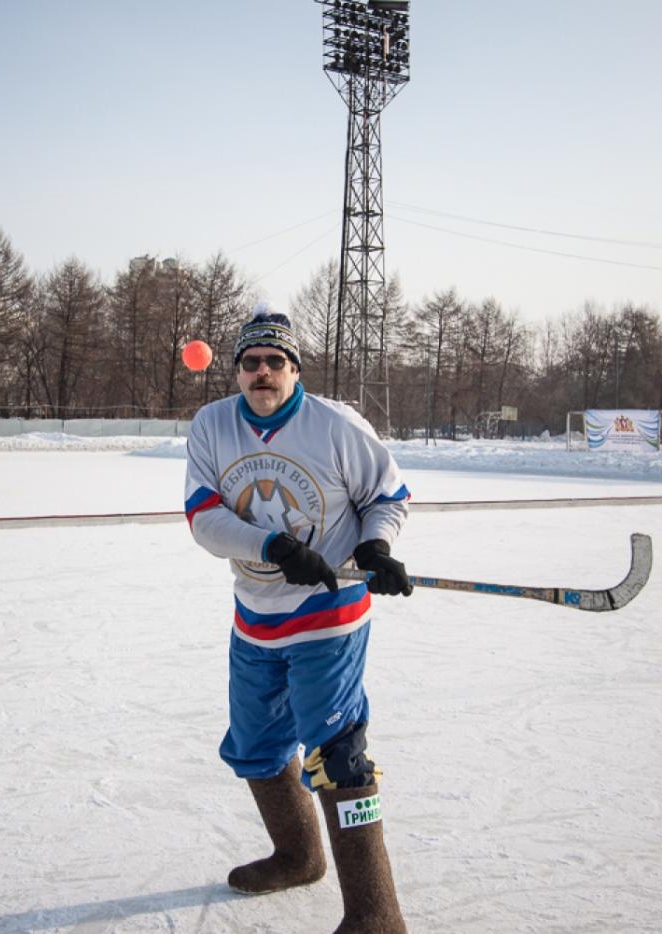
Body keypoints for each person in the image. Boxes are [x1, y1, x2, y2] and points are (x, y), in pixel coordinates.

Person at [183, 306, 412, 932]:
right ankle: (299, 854)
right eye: (251, 362)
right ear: (236, 371)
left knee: (338, 756)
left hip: (329, 618)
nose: (263, 372)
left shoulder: (336, 426)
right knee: (255, 748)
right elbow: (203, 516)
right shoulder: (211, 426)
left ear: (294, 370)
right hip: (254, 616)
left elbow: (386, 498)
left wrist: (376, 548)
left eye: (275, 362)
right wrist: (274, 547)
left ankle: (376, 915)